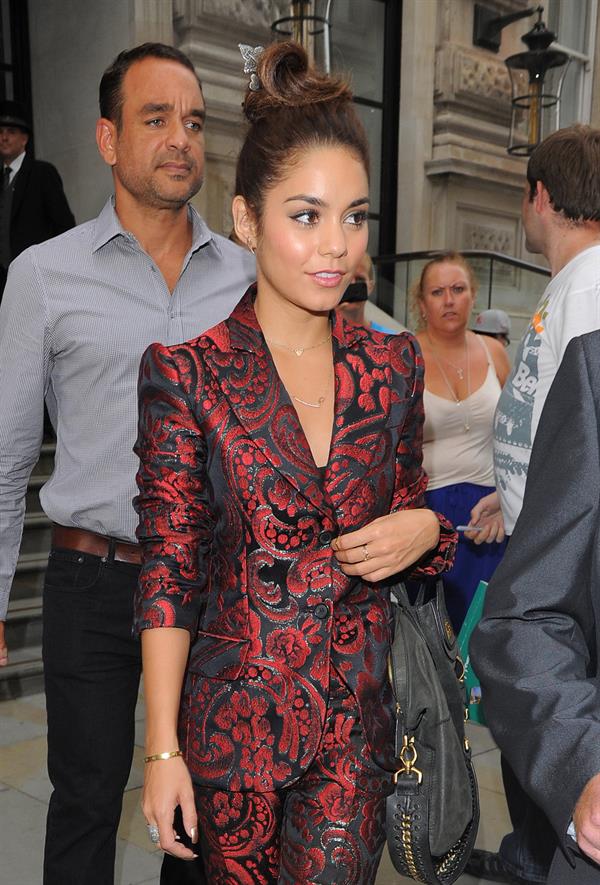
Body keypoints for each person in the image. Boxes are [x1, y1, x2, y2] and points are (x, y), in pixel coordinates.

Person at [133, 40, 457, 884]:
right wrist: (160, 746)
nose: (336, 246)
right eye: (306, 215)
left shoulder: (393, 367)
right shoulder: (188, 373)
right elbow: (169, 566)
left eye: (354, 217)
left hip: (355, 729)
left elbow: (419, 506)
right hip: (232, 729)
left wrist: (424, 523)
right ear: (246, 220)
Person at [0, 42, 254, 885]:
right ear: (108, 140)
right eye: (156, 119)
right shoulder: (44, 275)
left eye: (193, 121)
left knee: (208, 816)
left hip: (220, 588)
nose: (180, 138)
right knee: (83, 805)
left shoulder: (249, 280)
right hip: (95, 585)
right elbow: (5, 460)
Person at [467, 124, 600, 885]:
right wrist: (508, 489)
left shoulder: (590, 293)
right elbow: (563, 444)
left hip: (565, 603)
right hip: (537, 580)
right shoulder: (564, 288)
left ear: (540, 196)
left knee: (553, 797)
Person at [412, 253, 510, 631]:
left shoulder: (495, 353)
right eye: (437, 292)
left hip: (490, 513)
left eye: (458, 289)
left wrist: (510, 497)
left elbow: (518, 436)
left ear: (473, 295)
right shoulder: (404, 356)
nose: (449, 300)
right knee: (435, 633)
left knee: (487, 627)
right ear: (422, 304)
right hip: (429, 510)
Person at [0, 100, 75, 299]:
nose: (4, 138)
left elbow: (64, 226)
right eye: (0, 132)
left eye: (11, 132)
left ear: (24, 139)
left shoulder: (42, 173)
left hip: (36, 277)